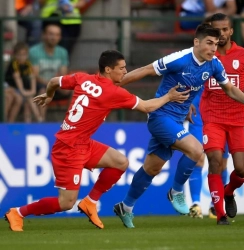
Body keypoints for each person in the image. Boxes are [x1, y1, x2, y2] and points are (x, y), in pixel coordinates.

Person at [4, 50, 190, 232]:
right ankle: (18, 212)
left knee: (120, 162)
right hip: (68, 149)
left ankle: (90, 202)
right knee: (66, 203)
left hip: (82, 143)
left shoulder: (82, 78)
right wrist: (169, 97)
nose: (125, 72)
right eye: (121, 68)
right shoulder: (113, 92)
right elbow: (147, 106)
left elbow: (53, 81)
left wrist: (50, 95)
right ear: (108, 70)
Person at [113, 23, 244, 228]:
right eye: (209, 43)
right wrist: (113, 86)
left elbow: (229, 88)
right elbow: (147, 70)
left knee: (151, 167)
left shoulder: (214, 64)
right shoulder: (179, 59)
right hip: (160, 115)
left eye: (215, 44)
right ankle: (176, 192)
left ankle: (126, 206)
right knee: (196, 150)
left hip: (178, 119)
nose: (213, 48)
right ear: (196, 42)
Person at [199, 13, 244, 225]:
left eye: (224, 29)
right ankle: (220, 214)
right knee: (215, 161)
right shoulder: (204, 55)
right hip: (212, 116)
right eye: (216, 30)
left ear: (231, 31)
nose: (220, 34)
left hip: (238, 117)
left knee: (241, 169)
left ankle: (229, 192)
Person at [185, 87, 229, 219]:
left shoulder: (224, 68)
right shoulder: (197, 66)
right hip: (199, 115)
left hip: (222, 116)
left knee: (220, 162)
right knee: (197, 157)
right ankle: (195, 204)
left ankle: (215, 205)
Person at [29, 21, 70, 121]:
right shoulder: (34, 51)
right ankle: (41, 121)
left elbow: (63, 74)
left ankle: (69, 121)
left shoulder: (62, 52)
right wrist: (52, 82)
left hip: (56, 84)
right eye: (51, 34)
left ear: (60, 37)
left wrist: (57, 82)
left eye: (57, 35)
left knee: (74, 91)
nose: (54, 37)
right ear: (44, 35)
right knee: (44, 91)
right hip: (40, 85)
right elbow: (35, 76)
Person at [5, 42, 43, 123]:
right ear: (15, 55)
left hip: (19, 88)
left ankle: (35, 119)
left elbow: (32, 77)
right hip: (10, 86)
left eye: (24, 55)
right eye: (19, 55)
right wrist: (23, 91)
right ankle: (10, 122)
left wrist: (33, 90)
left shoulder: (28, 63)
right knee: (21, 98)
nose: (22, 57)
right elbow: (17, 78)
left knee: (29, 98)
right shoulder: (14, 63)